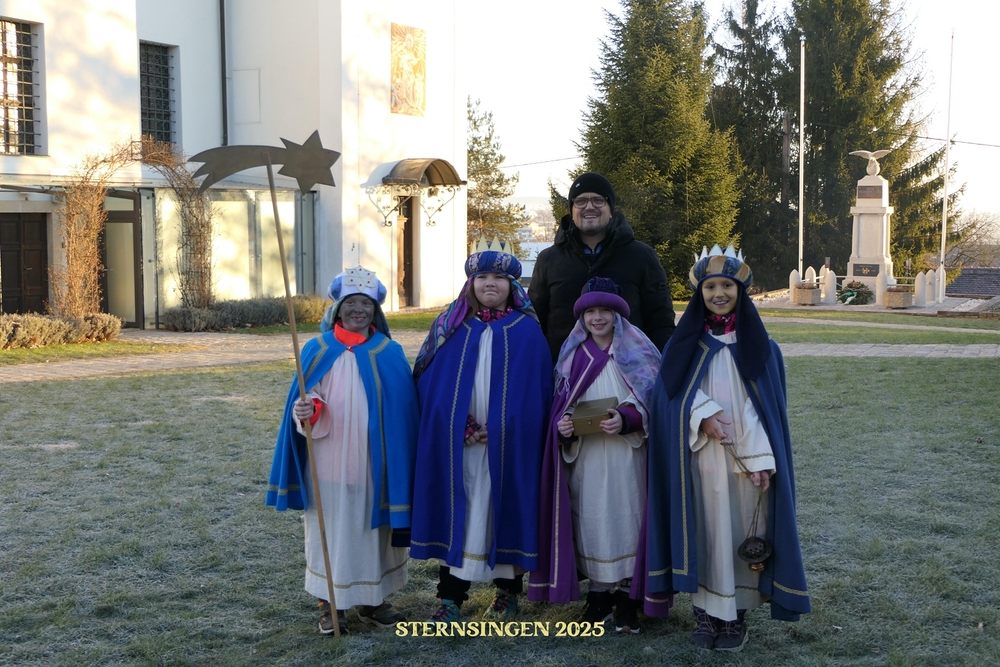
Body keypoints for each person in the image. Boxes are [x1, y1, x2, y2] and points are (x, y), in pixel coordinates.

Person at [643, 245, 811, 652]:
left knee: (740, 531)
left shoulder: (762, 347)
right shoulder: (684, 344)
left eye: (727, 286)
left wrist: (759, 459)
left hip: (745, 462)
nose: (718, 293)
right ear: (699, 292)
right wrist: (701, 417)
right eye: (710, 287)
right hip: (698, 458)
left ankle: (735, 617)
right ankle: (704, 612)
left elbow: (764, 409)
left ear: (741, 291)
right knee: (704, 532)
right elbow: (667, 397)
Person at [266, 267, 419, 635]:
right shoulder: (317, 349)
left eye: (366, 303)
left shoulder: (389, 352)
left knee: (372, 528)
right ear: (337, 309)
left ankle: (372, 600)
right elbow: (308, 397)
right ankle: (329, 602)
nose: (358, 310)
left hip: (375, 461)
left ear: (375, 310)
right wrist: (308, 409)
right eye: (351, 303)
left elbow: (404, 410)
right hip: (329, 456)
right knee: (332, 526)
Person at [410, 248, 553, 623]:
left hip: (510, 445)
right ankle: (450, 597)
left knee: (507, 508)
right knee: (460, 513)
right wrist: (461, 424)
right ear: (471, 284)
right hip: (460, 445)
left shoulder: (528, 332)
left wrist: (507, 425)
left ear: (512, 286)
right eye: (483, 277)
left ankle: (507, 592)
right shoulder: (450, 326)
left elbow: (539, 393)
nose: (491, 284)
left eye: (500, 278)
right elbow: (429, 384)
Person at [528, 277, 665, 635]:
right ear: (582, 317)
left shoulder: (638, 351)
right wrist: (565, 426)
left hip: (628, 457)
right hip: (587, 459)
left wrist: (627, 418)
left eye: (605, 310)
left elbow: (652, 397)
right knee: (592, 520)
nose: (598, 317)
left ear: (618, 315)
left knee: (629, 518)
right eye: (591, 312)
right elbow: (563, 403)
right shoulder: (573, 356)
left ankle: (628, 598)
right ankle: (599, 594)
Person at [528, 172, 675, 360]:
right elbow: (535, 320)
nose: (589, 206)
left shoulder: (641, 256)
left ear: (610, 208)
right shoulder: (549, 259)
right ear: (572, 210)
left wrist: (661, 366)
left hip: (629, 370)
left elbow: (660, 319)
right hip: (564, 370)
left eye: (598, 200)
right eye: (580, 201)